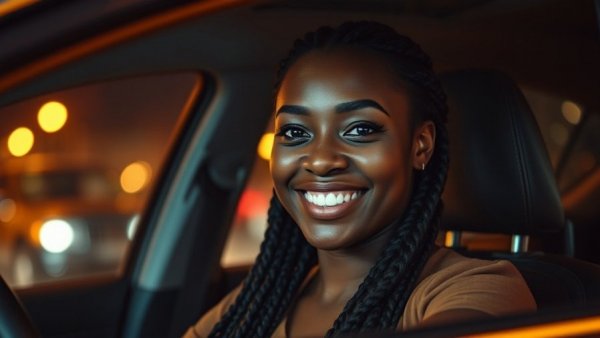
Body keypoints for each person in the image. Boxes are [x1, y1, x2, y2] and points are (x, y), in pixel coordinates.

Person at [183, 21, 536, 338]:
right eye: (294, 131)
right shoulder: (257, 300)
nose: (320, 160)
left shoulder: (478, 290)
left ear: (420, 145)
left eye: (360, 129)